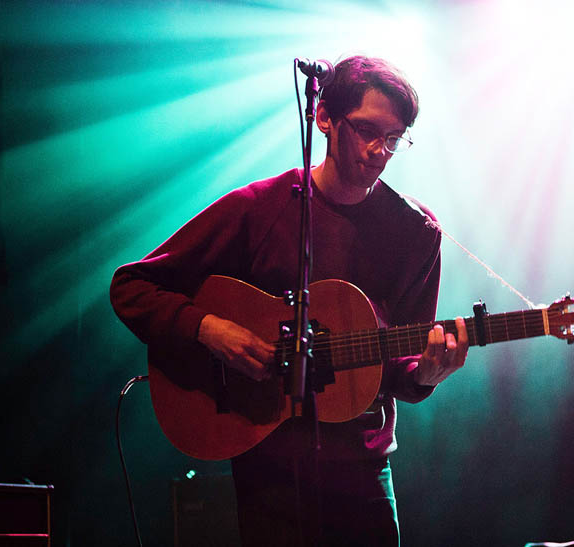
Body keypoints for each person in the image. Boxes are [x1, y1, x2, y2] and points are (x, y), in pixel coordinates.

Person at [110, 55, 469, 546]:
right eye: (366, 130)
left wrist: (425, 373)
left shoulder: (416, 232)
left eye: (393, 139)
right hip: (266, 462)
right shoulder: (259, 208)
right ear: (323, 116)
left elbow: (401, 365)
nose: (378, 151)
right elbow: (132, 287)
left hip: (362, 468)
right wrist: (207, 328)